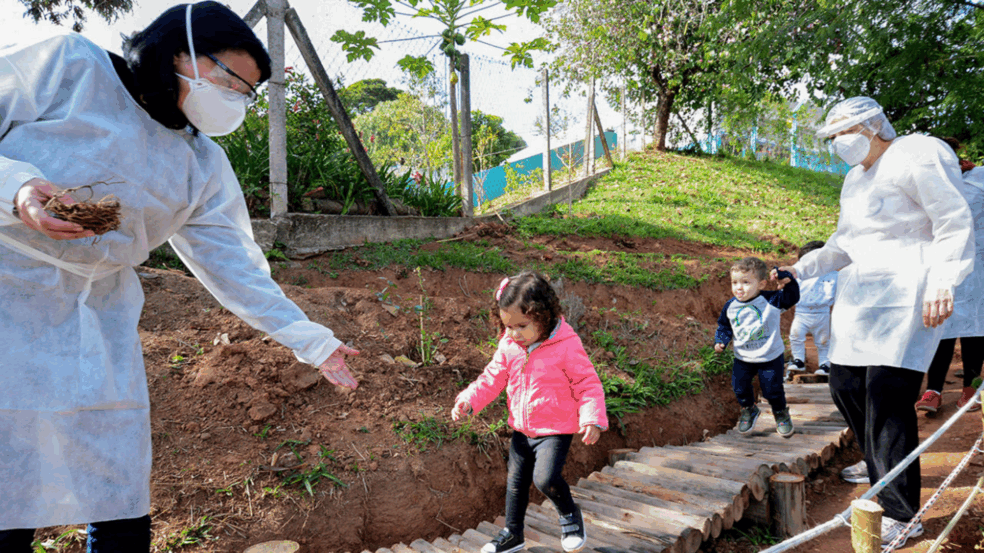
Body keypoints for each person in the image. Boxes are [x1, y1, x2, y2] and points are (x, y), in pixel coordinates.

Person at [0, 3, 359, 551]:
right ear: (178, 52)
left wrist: (312, 341)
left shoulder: (200, 164)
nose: (236, 98)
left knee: (118, 491)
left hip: (98, 323)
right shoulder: (69, 65)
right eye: (230, 79)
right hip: (8, 299)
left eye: (247, 91)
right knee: (7, 482)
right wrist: (19, 189)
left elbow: (237, 269)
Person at [775, 97, 975, 546]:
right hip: (862, 298)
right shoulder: (854, 180)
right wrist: (798, 270)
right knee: (844, 384)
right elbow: (842, 245)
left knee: (888, 396)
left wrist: (944, 280)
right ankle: (881, 470)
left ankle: (903, 514)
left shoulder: (917, 153)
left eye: (844, 133)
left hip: (909, 294)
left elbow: (952, 219)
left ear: (872, 126)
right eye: (832, 138)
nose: (838, 144)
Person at [451, 272, 607, 553]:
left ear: (543, 316)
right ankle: (513, 534)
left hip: (554, 430)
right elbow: (492, 377)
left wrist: (592, 418)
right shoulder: (509, 345)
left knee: (545, 479)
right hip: (522, 429)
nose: (513, 333)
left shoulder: (566, 345)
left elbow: (587, 383)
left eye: (522, 326)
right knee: (515, 484)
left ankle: (570, 514)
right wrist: (468, 400)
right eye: (507, 326)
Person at [915, 137, 984, 415]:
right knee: (939, 323)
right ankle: (933, 390)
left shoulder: (978, 177)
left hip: (977, 263)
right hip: (939, 262)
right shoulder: (924, 182)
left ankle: (971, 388)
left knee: (974, 326)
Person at [714, 257, 800, 437]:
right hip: (743, 357)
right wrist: (721, 340)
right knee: (739, 387)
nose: (739, 287)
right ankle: (749, 409)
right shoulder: (730, 306)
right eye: (735, 282)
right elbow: (724, 325)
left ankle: (780, 413)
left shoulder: (771, 300)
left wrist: (787, 280)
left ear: (761, 284)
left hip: (770, 356)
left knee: (772, 389)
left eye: (746, 282)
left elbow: (792, 297)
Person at [785, 240, 838, 380]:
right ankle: (798, 361)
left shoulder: (833, 275)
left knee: (823, 340)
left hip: (822, 312)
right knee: (796, 336)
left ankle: (825, 364)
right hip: (801, 312)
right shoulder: (797, 274)